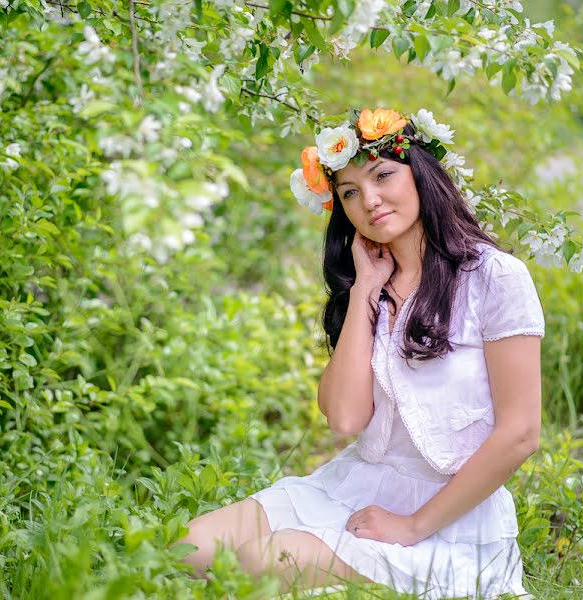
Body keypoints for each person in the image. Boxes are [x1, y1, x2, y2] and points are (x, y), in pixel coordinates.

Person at [177, 108, 543, 598]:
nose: (369, 200)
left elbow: (520, 434)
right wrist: (363, 294)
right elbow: (345, 419)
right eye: (349, 192)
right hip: (356, 484)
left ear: (422, 175)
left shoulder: (493, 277)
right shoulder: (369, 280)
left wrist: (412, 526)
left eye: (383, 175)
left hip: (448, 514)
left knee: (263, 561)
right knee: (191, 549)